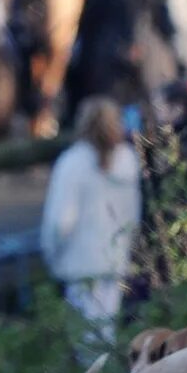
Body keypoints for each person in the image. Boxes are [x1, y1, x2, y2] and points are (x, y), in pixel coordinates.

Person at [39, 98, 142, 329]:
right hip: (115, 261)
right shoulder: (128, 160)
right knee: (108, 329)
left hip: (79, 264)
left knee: (86, 337)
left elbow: (61, 221)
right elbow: (133, 218)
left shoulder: (72, 163)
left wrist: (52, 255)